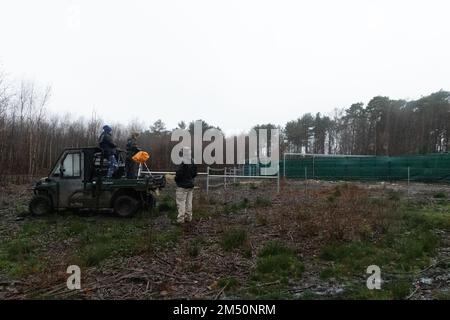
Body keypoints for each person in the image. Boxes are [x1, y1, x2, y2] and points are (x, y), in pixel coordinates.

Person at [174, 147, 197, 224]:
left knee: (181, 203)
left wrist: (176, 179)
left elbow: (179, 174)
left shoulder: (182, 162)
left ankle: (180, 220)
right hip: (190, 185)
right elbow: (194, 174)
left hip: (182, 186)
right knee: (189, 202)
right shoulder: (193, 161)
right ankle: (189, 218)